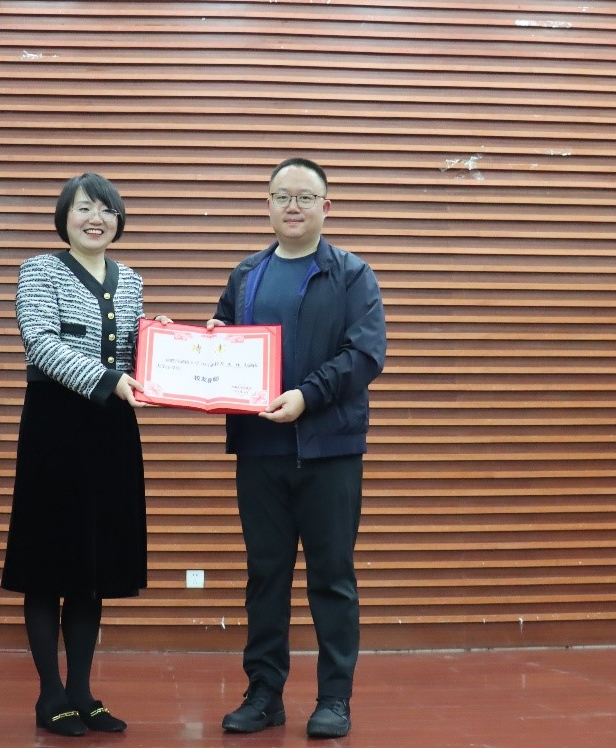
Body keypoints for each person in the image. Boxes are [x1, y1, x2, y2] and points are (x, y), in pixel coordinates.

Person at [208, 158, 386, 739]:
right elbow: (226, 339)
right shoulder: (246, 275)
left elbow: (365, 355)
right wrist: (206, 344)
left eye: (305, 197)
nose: (292, 206)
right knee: (265, 576)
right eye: (282, 195)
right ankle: (264, 694)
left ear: (325, 207)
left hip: (329, 451)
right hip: (260, 450)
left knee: (332, 578)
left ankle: (334, 699)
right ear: (267, 204)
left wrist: (307, 397)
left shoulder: (352, 275)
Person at [1, 172, 169, 737]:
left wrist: (164, 342)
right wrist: (108, 379)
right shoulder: (39, 270)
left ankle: (82, 691)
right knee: (48, 563)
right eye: (83, 208)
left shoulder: (130, 279)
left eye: (105, 209)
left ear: (119, 220)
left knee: (92, 567)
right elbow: (40, 341)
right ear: (64, 218)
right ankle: (50, 694)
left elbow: (133, 354)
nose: (95, 218)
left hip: (111, 432)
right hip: (55, 430)